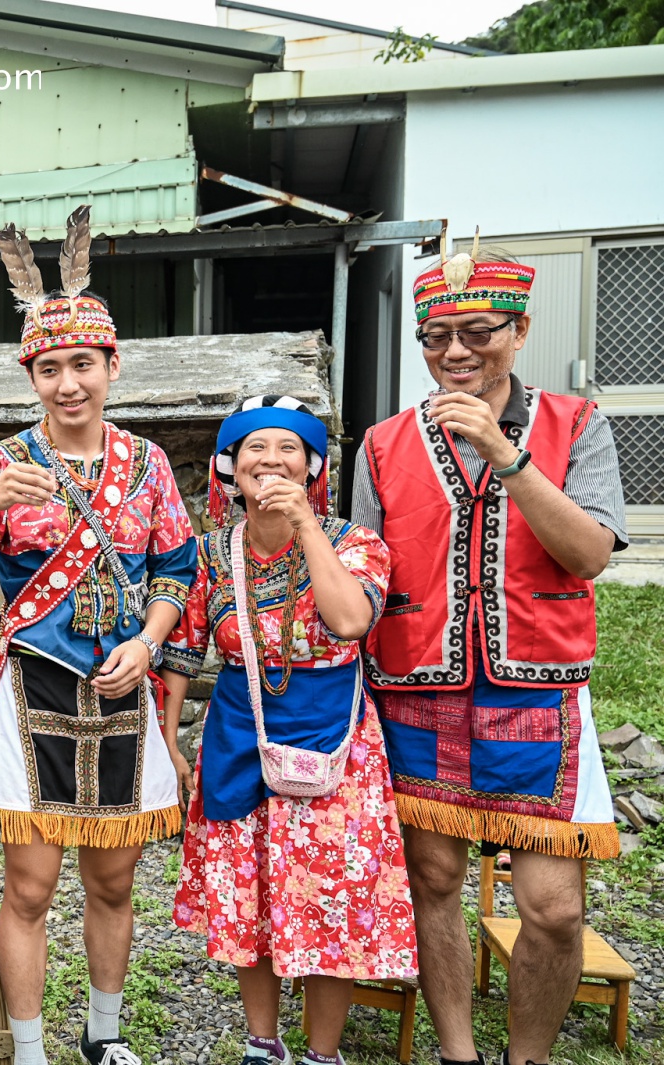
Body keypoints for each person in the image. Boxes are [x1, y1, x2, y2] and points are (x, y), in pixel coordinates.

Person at [353, 239, 627, 1065]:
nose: (455, 352)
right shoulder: (381, 444)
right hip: (417, 688)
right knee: (432, 881)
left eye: (478, 331)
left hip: (536, 693)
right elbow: (362, 570)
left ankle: (527, 1058)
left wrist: (506, 456)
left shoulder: (577, 424)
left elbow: (589, 554)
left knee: (551, 906)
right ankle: (459, 1054)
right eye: (436, 336)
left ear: (520, 330)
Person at [0, 207, 197, 1065]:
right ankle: (33, 1046)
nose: (67, 382)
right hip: (34, 684)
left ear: (112, 364)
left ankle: (105, 1032)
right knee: (30, 882)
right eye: (49, 368)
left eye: (83, 363)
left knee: (113, 878)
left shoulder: (149, 465)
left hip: (123, 684)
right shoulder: (0, 462)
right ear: (32, 375)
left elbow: (177, 571)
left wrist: (150, 641)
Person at [160, 395, 417, 1065]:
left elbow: (352, 621)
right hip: (238, 738)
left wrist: (305, 527)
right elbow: (185, 649)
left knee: (331, 897)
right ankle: (262, 1042)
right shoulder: (212, 552)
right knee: (251, 896)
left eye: (288, 449)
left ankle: (321, 1053)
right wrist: (170, 736)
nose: (270, 460)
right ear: (229, 466)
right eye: (255, 448)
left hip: (335, 744)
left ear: (312, 466)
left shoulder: (356, 543)